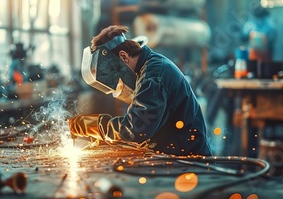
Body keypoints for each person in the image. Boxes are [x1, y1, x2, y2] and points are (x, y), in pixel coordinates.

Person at [69, 25, 212, 156]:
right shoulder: (147, 67)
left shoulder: (153, 76)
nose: (120, 85)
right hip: (172, 153)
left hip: (189, 160)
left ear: (124, 57)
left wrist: (94, 126)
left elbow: (135, 129)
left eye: (116, 77)